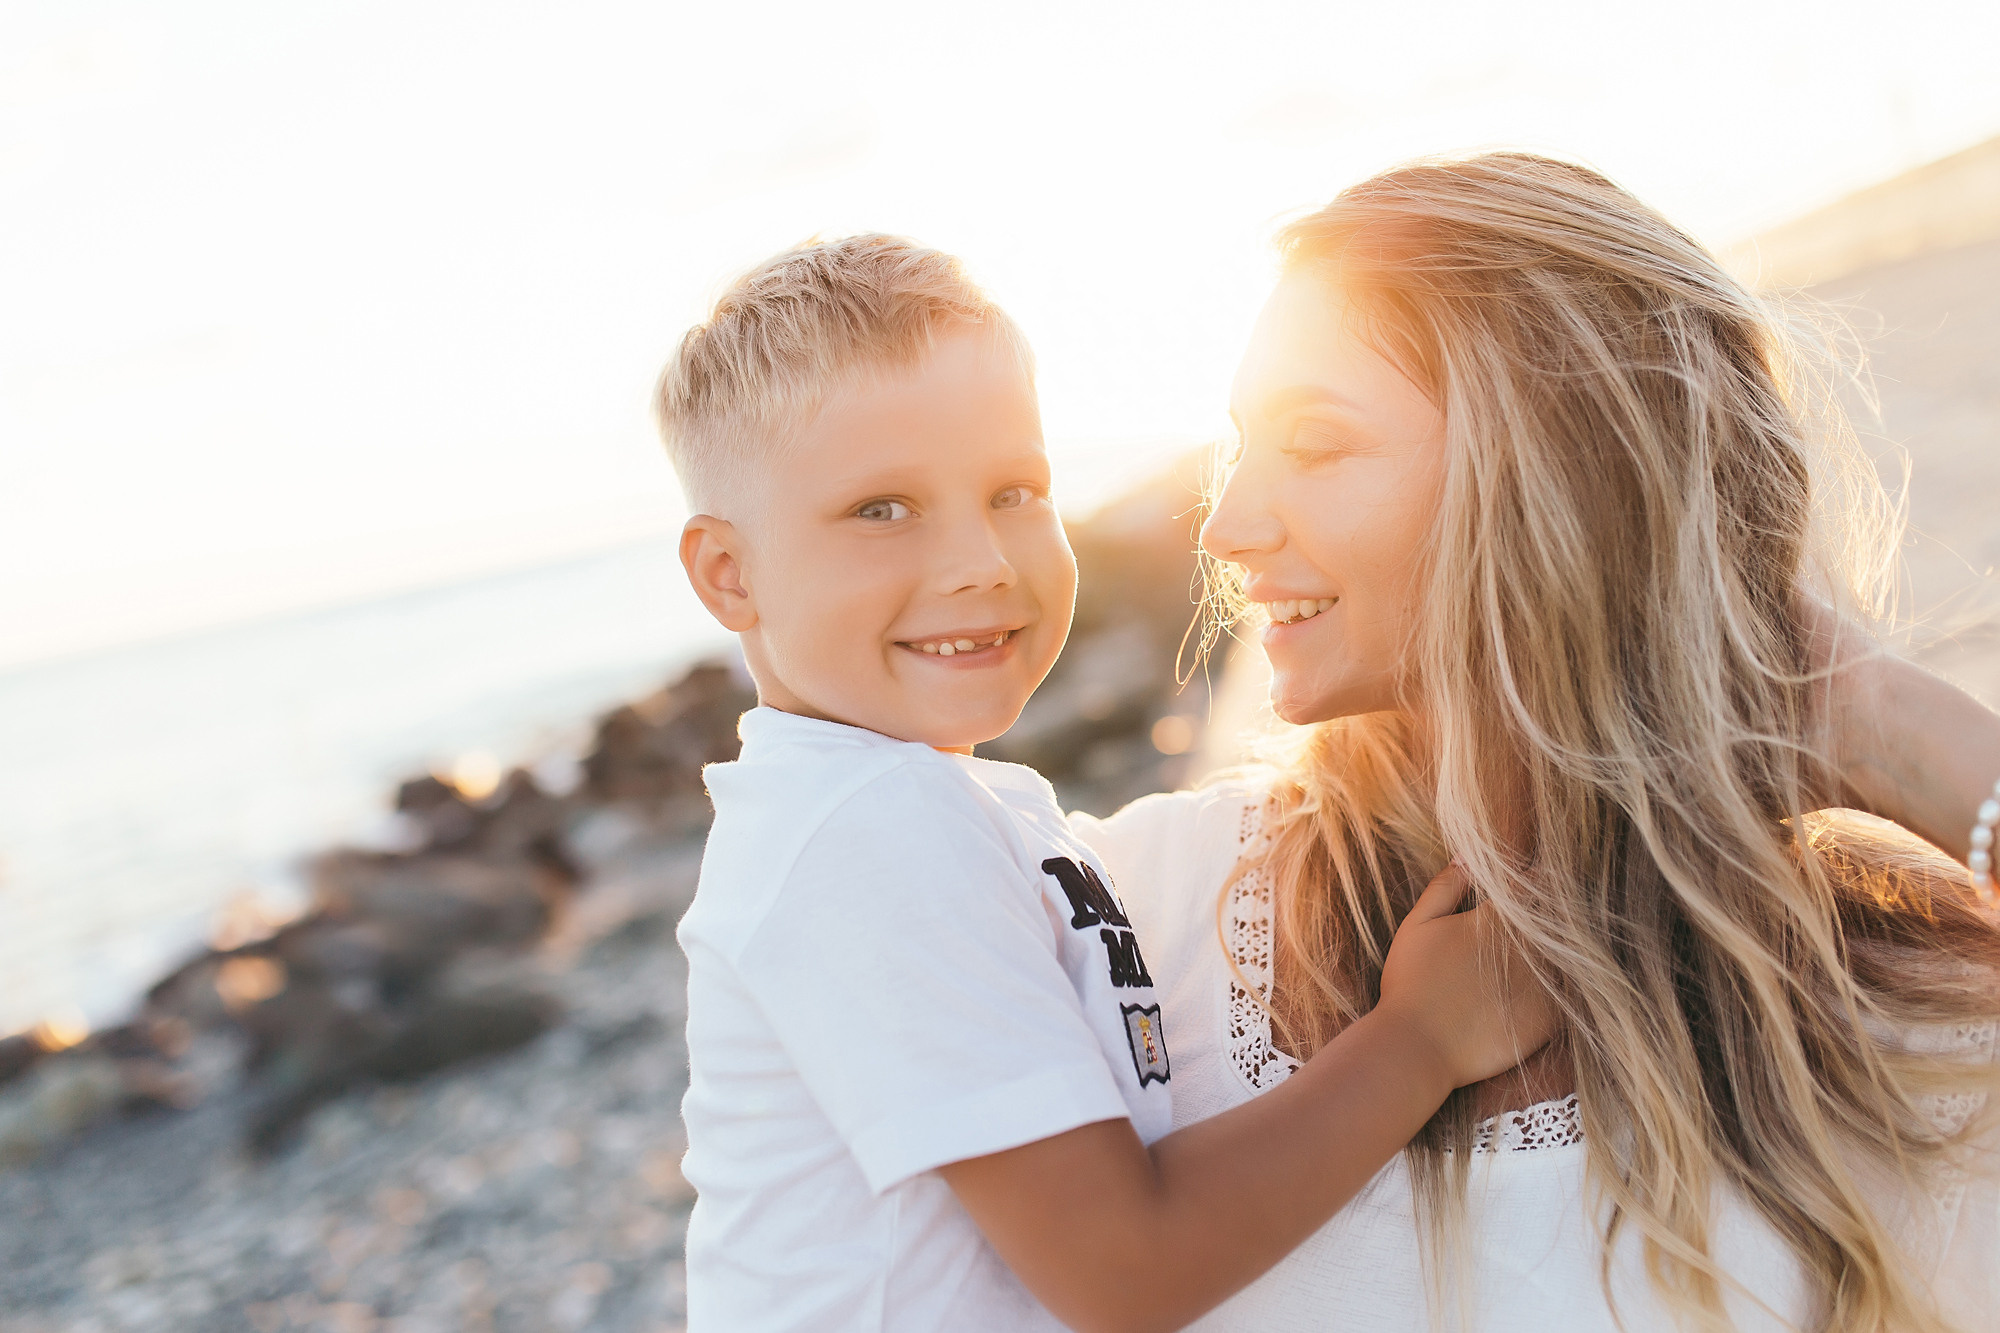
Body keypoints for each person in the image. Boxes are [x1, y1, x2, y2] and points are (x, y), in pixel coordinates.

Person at [1075, 152, 2000, 1332]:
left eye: (1313, 445)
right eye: (1239, 446)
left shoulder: (1892, 1017)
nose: (1226, 523)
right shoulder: (1139, 922)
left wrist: (1885, 723)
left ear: (1553, 478)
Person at [659, 234, 1557, 1331]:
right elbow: (1123, 1272)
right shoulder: (863, 827)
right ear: (727, 572)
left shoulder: (928, 806)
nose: (979, 558)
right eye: (880, 509)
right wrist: (1419, 1038)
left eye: (1013, 490)